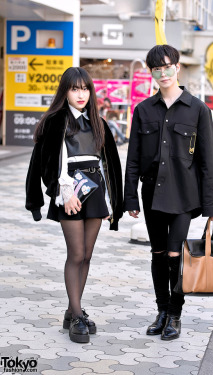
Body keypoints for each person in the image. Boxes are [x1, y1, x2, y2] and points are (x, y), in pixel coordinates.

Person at [124, 45, 213, 341]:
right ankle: (162, 311)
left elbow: (208, 161)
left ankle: (175, 315)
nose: (163, 73)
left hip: (184, 197)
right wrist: (130, 197)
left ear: (177, 67)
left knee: (175, 255)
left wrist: (212, 207)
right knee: (157, 254)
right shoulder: (143, 110)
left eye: (168, 67)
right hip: (152, 193)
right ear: (151, 73)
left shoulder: (198, 109)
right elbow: (134, 158)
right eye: (157, 69)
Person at [25, 67, 123, 343]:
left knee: (88, 255)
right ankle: (77, 316)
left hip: (94, 191)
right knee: (76, 254)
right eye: (75, 88)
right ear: (65, 91)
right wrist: (62, 191)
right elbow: (44, 164)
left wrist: (114, 202)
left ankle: (73, 310)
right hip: (68, 192)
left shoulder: (99, 122)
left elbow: (110, 166)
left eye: (85, 88)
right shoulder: (56, 121)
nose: (81, 94)